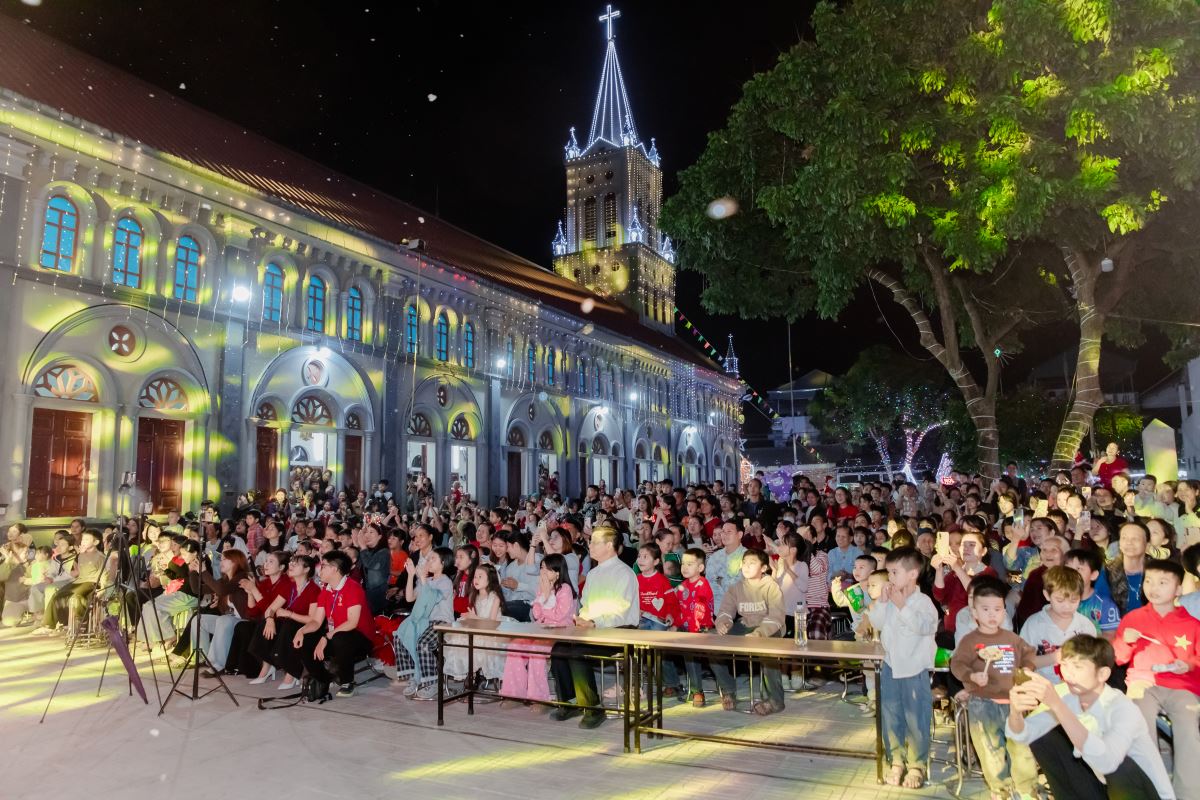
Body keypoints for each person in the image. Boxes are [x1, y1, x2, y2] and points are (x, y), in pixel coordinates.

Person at [1006, 634, 1175, 799]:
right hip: (1105, 785)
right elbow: (1023, 734)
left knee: (1120, 764)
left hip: (1142, 790)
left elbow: (1108, 762)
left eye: (1078, 667)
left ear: (1102, 674)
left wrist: (1057, 706)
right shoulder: (1069, 697)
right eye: (1065, 665)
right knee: (1043, 738)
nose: (1068, 674)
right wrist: (1015, 711)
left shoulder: (1122, 708)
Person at [1113, 558, 1200, 799]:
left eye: (1163, 582)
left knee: (1188, 727)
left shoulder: (1192, 624)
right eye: (1149, 581)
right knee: (1140, 724)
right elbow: (1118, 658)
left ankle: (1189, 793)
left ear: (1178, 589)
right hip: (1143, 682)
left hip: (1182, 686)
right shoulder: (1132, 619)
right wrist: (1125, 642)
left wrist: (1189, 664)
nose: (1154, 587)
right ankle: (1151, 789)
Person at [951, 576, 1038, 800]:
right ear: (975, 613)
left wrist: (1025, 670)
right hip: (983, 702)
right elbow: (957, 664)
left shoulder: (1012, 638)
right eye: (986, 609)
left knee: (1021, 748)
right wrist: (971, 676)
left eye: (997, 609)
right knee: (990, 749)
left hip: (1013, 702)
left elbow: (1029, 655)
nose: (992, 615)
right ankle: (999, 788)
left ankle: (1026, 789)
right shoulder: (970, 640)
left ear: (1004, 612)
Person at [549, 526, 639, 729]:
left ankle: (593, 708)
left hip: (619, 630)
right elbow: (586, 605)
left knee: (578, 652)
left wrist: (595, 623)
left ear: (609, 545)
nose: (590, 546)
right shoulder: (593, 573)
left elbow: (621, 612)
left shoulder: (624, 573)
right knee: (559, 649)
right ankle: (570, 702)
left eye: (595, 542)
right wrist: (583, 620)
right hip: (593, 628)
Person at [867, 547, 938, 789]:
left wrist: (901, 606)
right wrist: (881, 604)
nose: (890, 577)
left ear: (913, 574)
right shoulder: (889, 600)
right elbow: (876, 624)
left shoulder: (923, 602)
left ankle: (917, 764)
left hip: (915, 669)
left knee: (916, 718)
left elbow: (925, 627)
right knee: (890, 715)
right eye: (888, 572)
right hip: (890, 665)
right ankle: (896, 760)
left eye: (894, 572)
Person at [710, 550, 786, 715]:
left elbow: (776, 616)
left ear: (763, 568)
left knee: (768, 650)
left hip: (769, 627)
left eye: (752, 563)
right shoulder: (736, 588)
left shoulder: (771, 586)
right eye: (744, 563)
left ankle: (776, 700)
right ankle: (728, 690)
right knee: (712, 643)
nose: (746, 566)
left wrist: (759, 633)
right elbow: (725, 611)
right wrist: (723, 623)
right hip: (746, 625)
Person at [295, 550, 378, 698]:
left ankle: (347, 682)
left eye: (323, 566)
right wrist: (301, 631)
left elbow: (352, 623)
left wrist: (326, 637)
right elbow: (316, 621)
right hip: (335, 635)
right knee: (306, 640)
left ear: (334, 569)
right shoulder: (326, 590)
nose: (320, 570)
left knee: (341, 638)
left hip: (360, 638)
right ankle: (324, 679)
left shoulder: (353, 588)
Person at [501, 553, 577, 705]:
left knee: (536, 650)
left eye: (547, 569)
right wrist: (544, 598)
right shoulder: (541, 588)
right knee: (515, 645)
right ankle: (514, 693)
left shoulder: (565, 589)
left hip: (561, 632)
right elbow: (536, 613)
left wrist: (546, 598)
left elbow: (559, 616)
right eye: (541, 568)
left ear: (557, 572)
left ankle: (538, 697)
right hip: (541, 630)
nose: (542, 571)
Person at [248, 554, 320, 690]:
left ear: (306, 569)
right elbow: (271, 609)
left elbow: (313, 619)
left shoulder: (314, 589)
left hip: (306, 626)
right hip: (289, 623)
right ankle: (267, 665)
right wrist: (270, 619)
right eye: (291, 563)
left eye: (295, 564)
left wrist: (289, 614)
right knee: (265, 624)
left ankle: (292, 673)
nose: (291, 565)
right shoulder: (290, 586)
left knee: (288, 626)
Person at [394, 546, 455, 700]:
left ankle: (432, 682)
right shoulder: (426, 580)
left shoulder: (445, 582)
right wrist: (410, 576)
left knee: (423, 643)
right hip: (425, 622)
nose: (428, 562)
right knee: (400, 638)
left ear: (443, 563)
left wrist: (422, 579)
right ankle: (414, 677)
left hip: (441, 622)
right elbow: (410, 598)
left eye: (433, 559)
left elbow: (431, 598)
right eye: (428, 559)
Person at [1018, 566, 1095, 683]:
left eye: (1074, 600)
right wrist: (1053, 657)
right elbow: (1023, 660)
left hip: (1076, 687)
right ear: (1047, 595)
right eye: (1060, 600)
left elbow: (1092, 662)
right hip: (1042, 685)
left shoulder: (1085, 626)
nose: (1067, 606)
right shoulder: (1034, 624)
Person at [442, 563, 506, 687]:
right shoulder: (474, 595)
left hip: (491, 632)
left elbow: (492, 622)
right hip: (478, 628)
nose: (476, 579)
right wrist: (469, 617)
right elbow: (474, 616)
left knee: (475, 643)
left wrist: (474, 617)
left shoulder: (494, 597)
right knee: (459, 639)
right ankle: (471, 674)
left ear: (490, 579)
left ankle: (473, 675)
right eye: (475, 576)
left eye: (480, 577)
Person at [673, 547, 715, 705]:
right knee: (662, 640)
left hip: (702, 628)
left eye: (690, 564)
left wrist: (692, 631)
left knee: (690, 652)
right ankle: (673, 684)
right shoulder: (682, 586)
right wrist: (675, 624)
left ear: (700, 568)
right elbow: (678, 608)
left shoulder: (703, 584)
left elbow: (700, 610)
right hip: (686, 628)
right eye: (683, 564)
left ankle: (698, 691)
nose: (684, 567)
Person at [635, 543, 677, 630]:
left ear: (655, 562)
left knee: (657, 632)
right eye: (639, 556)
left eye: (645, 557)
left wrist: (669, 614)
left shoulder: (663, 580)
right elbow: (632, 600)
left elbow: (671, 601)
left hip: (659, 620)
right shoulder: (636, 580)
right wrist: (636, 610)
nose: (640, 560)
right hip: (641, 619)